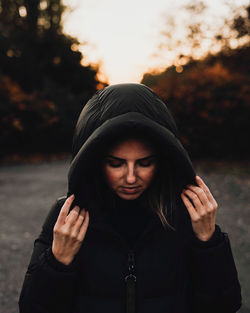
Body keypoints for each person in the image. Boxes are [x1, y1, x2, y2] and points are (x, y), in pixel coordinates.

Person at [19, 83, 242, 313]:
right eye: (116, 163)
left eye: (145, 163)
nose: (131, 177)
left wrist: (209, 243)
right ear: (94, 160)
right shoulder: (66, 217)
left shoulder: (187, 215)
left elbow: (224, 306)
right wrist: (57, 263)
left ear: (163, 160)